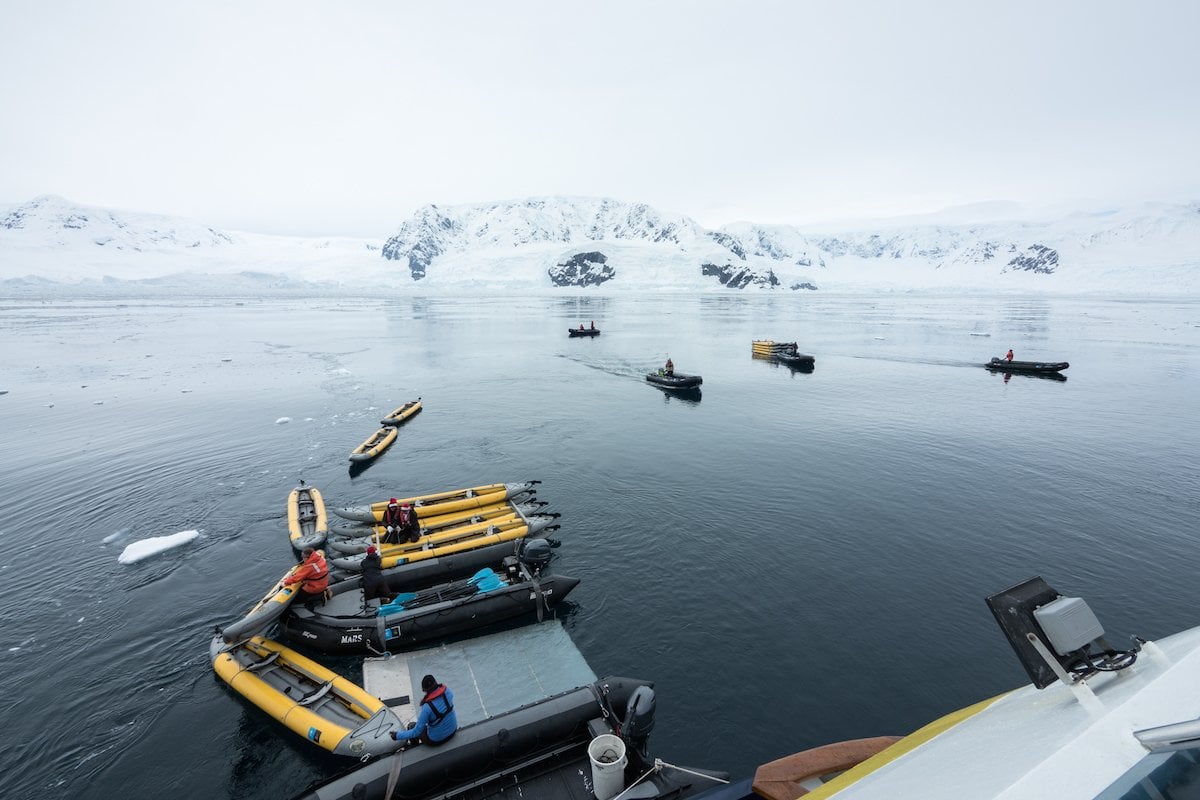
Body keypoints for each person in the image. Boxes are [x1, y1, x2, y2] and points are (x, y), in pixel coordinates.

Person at [391, 674, 457, 746]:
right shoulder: (447, 692)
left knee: (411, 726)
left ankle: (415, 749)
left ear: (425, 690)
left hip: (436, 740)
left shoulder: (427, 707)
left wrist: (397, 735)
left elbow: (416, 732)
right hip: (452, 731)